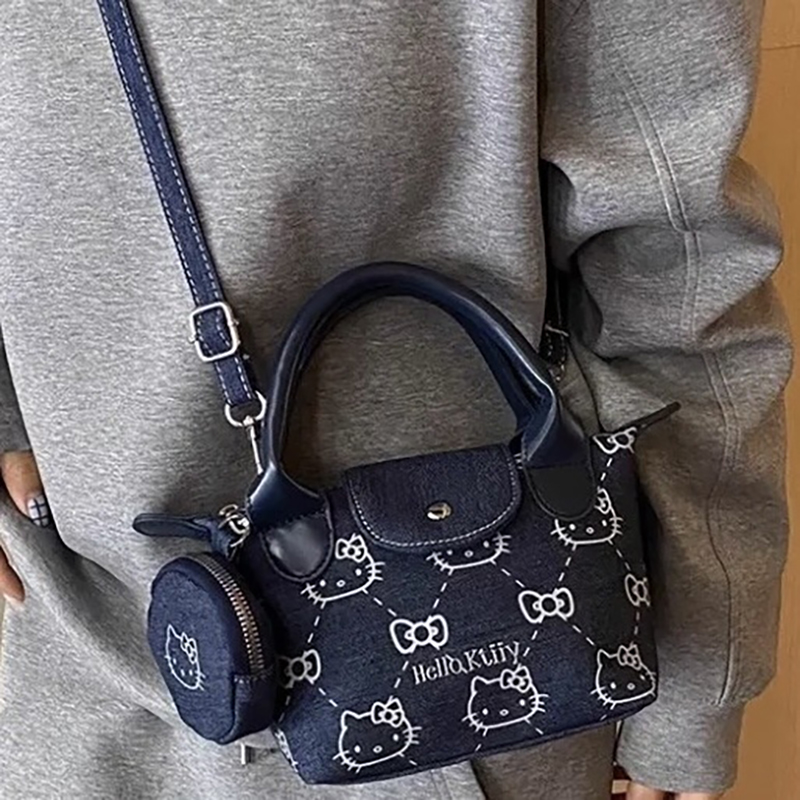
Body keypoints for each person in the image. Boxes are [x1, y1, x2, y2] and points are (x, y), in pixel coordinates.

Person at [0, 1, 791, 798]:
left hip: (467, 691)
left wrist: (695, 692)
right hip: (65, 672)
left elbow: (672, 260)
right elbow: (675, 264)